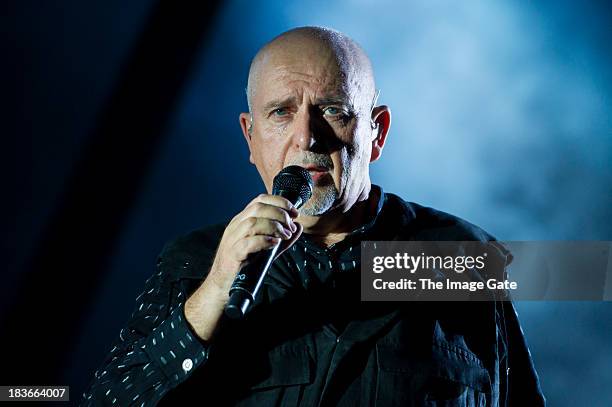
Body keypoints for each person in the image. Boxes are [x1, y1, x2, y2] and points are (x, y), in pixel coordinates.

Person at [82, 26, 545, 406]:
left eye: (332, 110)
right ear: (250, 137)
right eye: (281, 112)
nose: (306, 137)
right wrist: (212, 294)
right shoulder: (194, 262)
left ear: (376, 133)